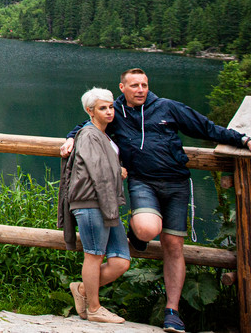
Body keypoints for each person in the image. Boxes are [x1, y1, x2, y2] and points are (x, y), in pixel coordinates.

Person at [61, 68, 251, 333]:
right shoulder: (114, 111)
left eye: (145, 85)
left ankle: (172, 311)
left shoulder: (167, 108)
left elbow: (205, 127)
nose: (141, 89)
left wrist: (242, 139)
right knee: (149, 229)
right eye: (135, 85)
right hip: (142, 182)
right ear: (122, 88)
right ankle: (137, 234)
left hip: (176, 184)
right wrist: (70, 137)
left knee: (173, 246)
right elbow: (89, 124)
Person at [59, 88, 129, 324]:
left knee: (120, 260)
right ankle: (95, 308)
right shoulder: (88, 135)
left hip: (108, 203)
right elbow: (97, 170)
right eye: (103, 108)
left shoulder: (104, 135)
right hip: (91, 202)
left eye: (111, 107)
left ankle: (81, 290)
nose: (109, 112)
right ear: (90, 111)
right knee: (94, 255)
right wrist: (118, 172)